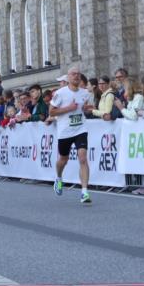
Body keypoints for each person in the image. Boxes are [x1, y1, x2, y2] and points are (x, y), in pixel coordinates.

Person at [50, 66, 94, 204]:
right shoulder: (60, 93)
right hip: (65, 131)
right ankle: (58, 177)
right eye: (73, 74)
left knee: (82, 158)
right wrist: (69, 108)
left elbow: (84, 109)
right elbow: (51, 112)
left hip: (80, 129)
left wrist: (87, 109)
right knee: (63, 159)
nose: (76, 76)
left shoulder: (85, 93)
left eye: (78, 74)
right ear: (68, 77)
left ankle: (84, 192)